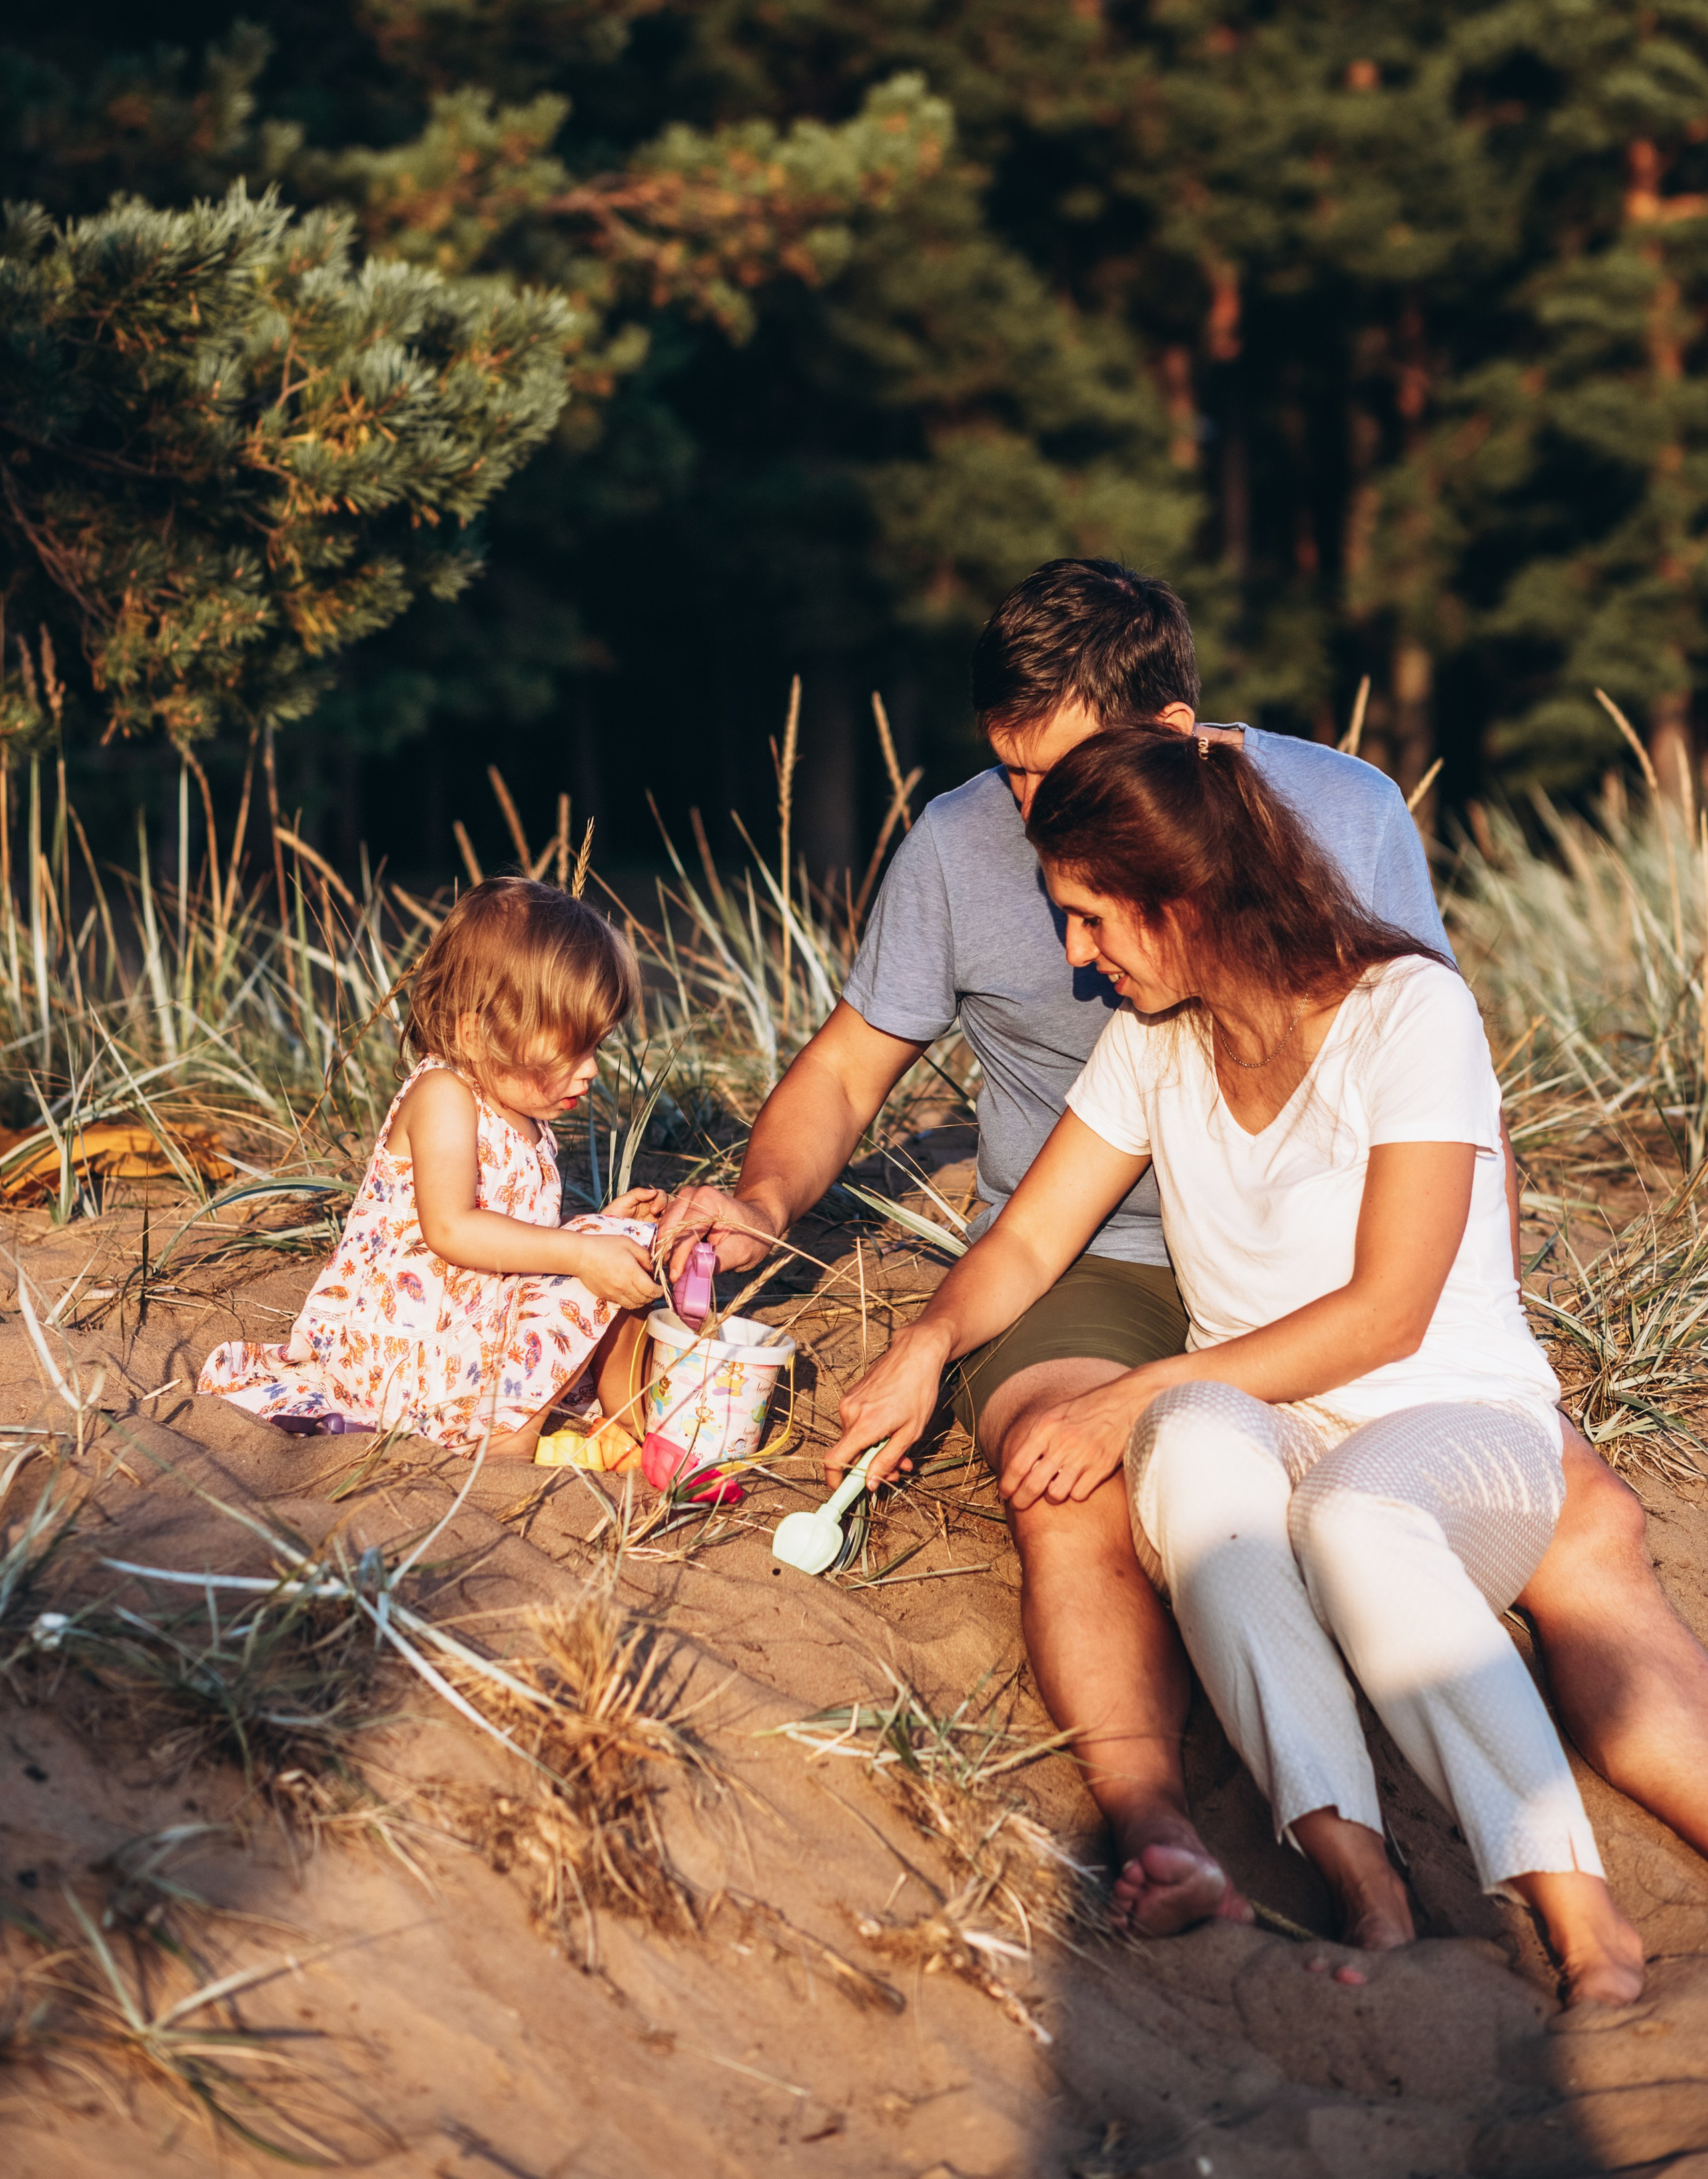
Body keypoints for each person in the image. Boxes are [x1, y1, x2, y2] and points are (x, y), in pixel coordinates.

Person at [661, 559, 1708, 1933]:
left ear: (1169, 735)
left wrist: (1485, 1335)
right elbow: (853, 1070)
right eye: (1009, 773)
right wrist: (768, 1207)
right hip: (1087, 1261)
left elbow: (1436, 1090)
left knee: (1586, 1530)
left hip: (1323, 1264)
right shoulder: (962, 850)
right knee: (1070, 1482)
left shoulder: (1341, 809)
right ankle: (1159, 1825)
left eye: (1058, 772)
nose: (1030, 814)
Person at [845, 722, 1643, 2002]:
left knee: (1354, 1511)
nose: (1076, 957)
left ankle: (1579, 1907)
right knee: (1202, 1450)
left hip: (1457, 1422)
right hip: (1277, 1420)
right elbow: (1037, 1232)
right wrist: (929, 1345)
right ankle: (1363, 1887)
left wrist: (1135, 1389)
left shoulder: (1407, 1009)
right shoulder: (1157, 1038)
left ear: (1184, 904)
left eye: (1094, 921)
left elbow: (1388, 1312)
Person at [199, 877, 663, 1454]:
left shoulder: (522, 1112)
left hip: (473, 1332)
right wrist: (579, 1248)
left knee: (624, 1248)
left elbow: (512, 1232)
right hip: (411, 1346)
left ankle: (637, 1422)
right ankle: (505, 1447)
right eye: (568, 1049)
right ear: (477, 1033)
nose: (590, 1069)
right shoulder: (445, 1095)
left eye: (596, 1046)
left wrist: (595, 1229)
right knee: (592, 1257)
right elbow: (452, 1228)